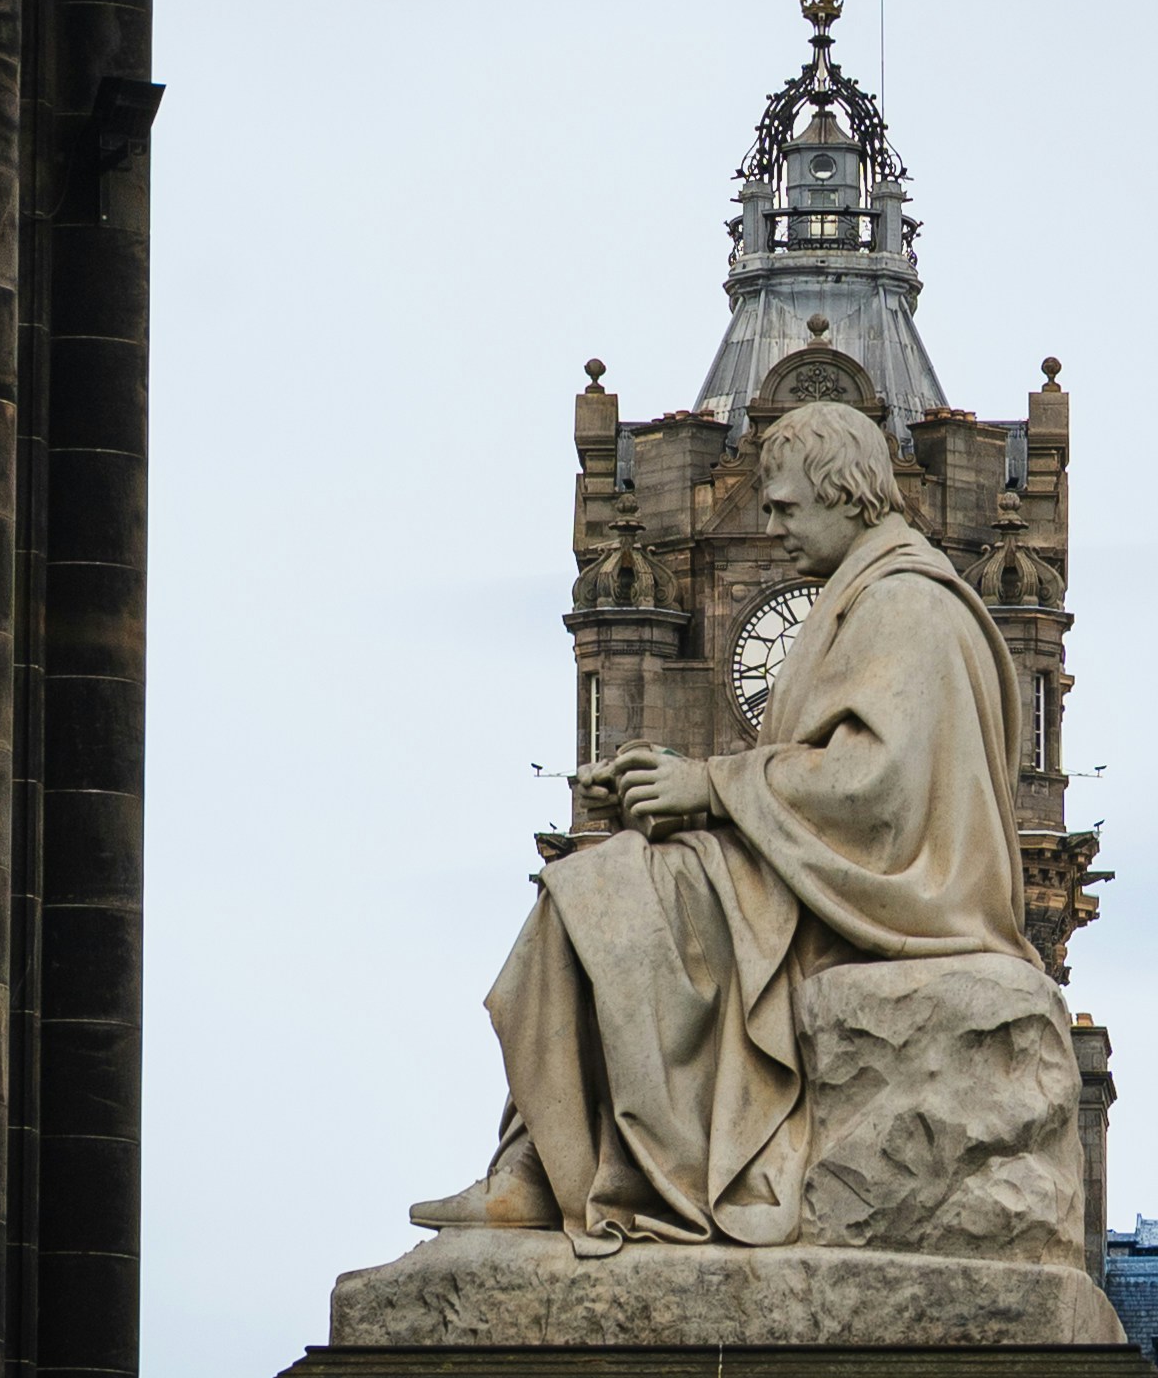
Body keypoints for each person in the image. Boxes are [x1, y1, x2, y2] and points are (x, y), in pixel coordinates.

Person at [412, 398, 1033, 1252]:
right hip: (821, 875)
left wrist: (708, 786)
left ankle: (566, 1170)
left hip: (890, 900)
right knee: (601, 884)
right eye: (764, 508)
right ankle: (545, 1165)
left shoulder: (905, 604)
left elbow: (875, 786)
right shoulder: (860, 595)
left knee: (599, 893)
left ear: (846, 493)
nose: (772, 525)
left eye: (783, 506)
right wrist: (656, 793)